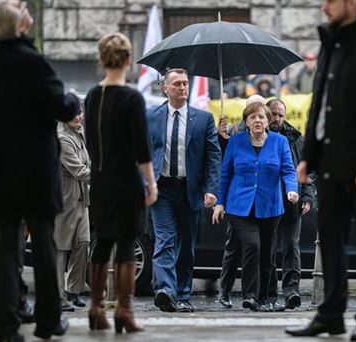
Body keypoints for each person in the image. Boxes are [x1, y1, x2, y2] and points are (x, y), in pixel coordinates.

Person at [0, 0, 80, 340]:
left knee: (1, 251)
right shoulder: (33, 61)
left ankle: (6, 326)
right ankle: (48, 320)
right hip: (35, 171)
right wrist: (72, 98)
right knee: (43, 244)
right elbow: (60, 106)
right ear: (17, 27)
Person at [286, 0, 356, 340]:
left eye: (331, 1)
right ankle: (331, 314)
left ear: (353, 3)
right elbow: (318, 105)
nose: (324, 7)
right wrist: (308, 156)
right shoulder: (329, 44)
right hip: (330, 164)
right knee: (330, 241)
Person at [84, 32, 157, 333]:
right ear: (128, 60)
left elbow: (91, 141)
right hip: (127, 181)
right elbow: (142, 147)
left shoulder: (91, 96)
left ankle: (96, 307)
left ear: (102, 60)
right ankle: (124, 311)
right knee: (126, 243)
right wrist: (151, 183)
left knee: (101, 242)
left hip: (100, 180)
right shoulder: (131, 97)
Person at [147, 68, 221, 313]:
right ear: (165, 88)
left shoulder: (203, 119)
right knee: (165, 240)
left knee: (186, 245)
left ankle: (182, 294)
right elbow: (142, 153)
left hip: (190, 190)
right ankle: (166, 290)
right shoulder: (151, 116)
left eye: (185, 83)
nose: (183, 88)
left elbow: (213, 157)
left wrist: (212, 189)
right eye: (177, 84)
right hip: (161, 189)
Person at [212, 102, 298, 311]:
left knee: (268, 254)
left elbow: (288, 170)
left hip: (270, 206)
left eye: (261, 117)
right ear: (246, 122)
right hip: (239, 207)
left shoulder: (280, 142)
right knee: (252, 246)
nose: (257, 121)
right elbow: (226, 174)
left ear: (268, 120)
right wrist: (220, 203)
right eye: (252, 118)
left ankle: (267, 298)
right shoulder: (236, 141)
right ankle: (250, 295)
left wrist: (291, 189)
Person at [216, 94, 268, 309]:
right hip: (239, 204)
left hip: (262, 203)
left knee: (256, 249)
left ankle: (256, 295)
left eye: (262, 109)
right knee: (233, 248)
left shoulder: (270, 132)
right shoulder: (235, 132)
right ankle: (225, 290)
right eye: (253, 110)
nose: (258, 114)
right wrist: (221, 137)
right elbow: (223, 163)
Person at [266, 98, 315, 310]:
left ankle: (291, 291)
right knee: (267, 248)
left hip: (291, 201)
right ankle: (268, 293)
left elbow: (308, 168)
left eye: (280, 114)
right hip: (266, 201)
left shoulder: (296, 138)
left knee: (290, 247)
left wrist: (308, 196)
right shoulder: (259, 136)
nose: (276, 119)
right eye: (273, 114)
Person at [54, 112, 90, 312]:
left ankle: (73, 291)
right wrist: (104, 177)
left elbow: (87, 164)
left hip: (81, 199)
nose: (78, 117)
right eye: (72, 114)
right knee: (60, 249)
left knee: (83, 244)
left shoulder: (79, 132)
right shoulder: (62, 138)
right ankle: (58, 298)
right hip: (64, 200)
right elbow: (79, 170)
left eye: (79, 113)